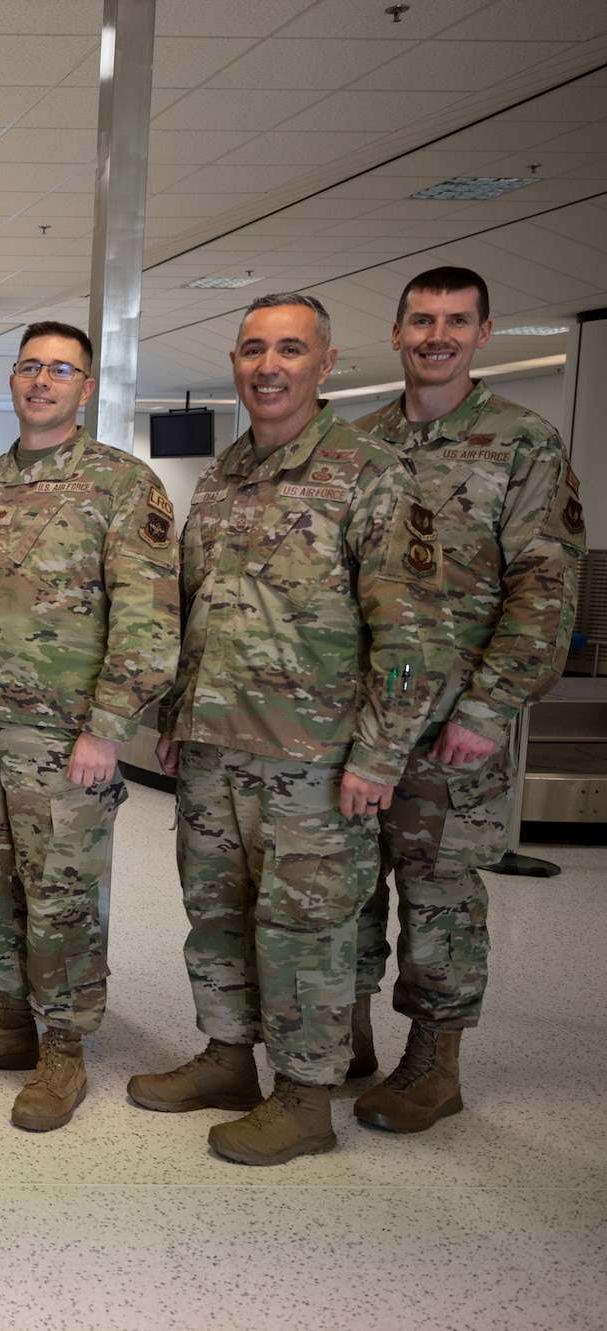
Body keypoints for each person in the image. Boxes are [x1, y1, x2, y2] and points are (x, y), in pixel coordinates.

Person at [129, 293, 442, 1165]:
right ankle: (231, 1058)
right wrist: (174, 714)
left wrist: (380, 755)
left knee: (306, 933)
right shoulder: (224, 473)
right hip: (211, 751)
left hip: (316, 761)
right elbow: (201, 609)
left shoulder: (369, 473)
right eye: (254, 348)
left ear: (325, 363)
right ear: (235, 362)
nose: (269, 365)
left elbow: (414, 639)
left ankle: (305, 1099)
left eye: (291, 349)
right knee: (217, 916)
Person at [0, 320, 180, 1132]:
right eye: (30, 366)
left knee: (60, 897)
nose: (42, 380)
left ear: (85, 387)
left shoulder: (123, 486)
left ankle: (65, 1048)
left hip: (66, 742)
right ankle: (8, 1018)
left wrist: (107, 729)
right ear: (14, 379)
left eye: (61, 369)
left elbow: (150, 620)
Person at [346, 267, 583, 1132]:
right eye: (420, 320)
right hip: (358, 721)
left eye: (455, 320)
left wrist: (489, 711)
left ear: (484, 333)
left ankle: (433, 1064)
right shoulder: (360, 441)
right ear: (398, 331)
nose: (435, 334)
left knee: (440, 892)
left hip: (453, 728)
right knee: (346, 887)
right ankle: (350, 1035)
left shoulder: (521, 442)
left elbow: (545, 588)